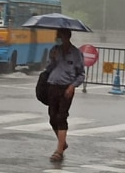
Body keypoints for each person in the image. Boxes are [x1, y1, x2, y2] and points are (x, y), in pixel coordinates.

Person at [44, 28, 85, 163]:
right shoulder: (55, 50)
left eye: (60, 36)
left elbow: (81, 74)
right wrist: (53, 60)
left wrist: (72, 86)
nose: (58, 39)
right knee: (52, 118)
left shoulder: (76, 54)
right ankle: (63, 143)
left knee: (62, 117)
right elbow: (48, 69)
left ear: (66, 37)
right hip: (53, 86)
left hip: (66, 88)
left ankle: (59, 151)